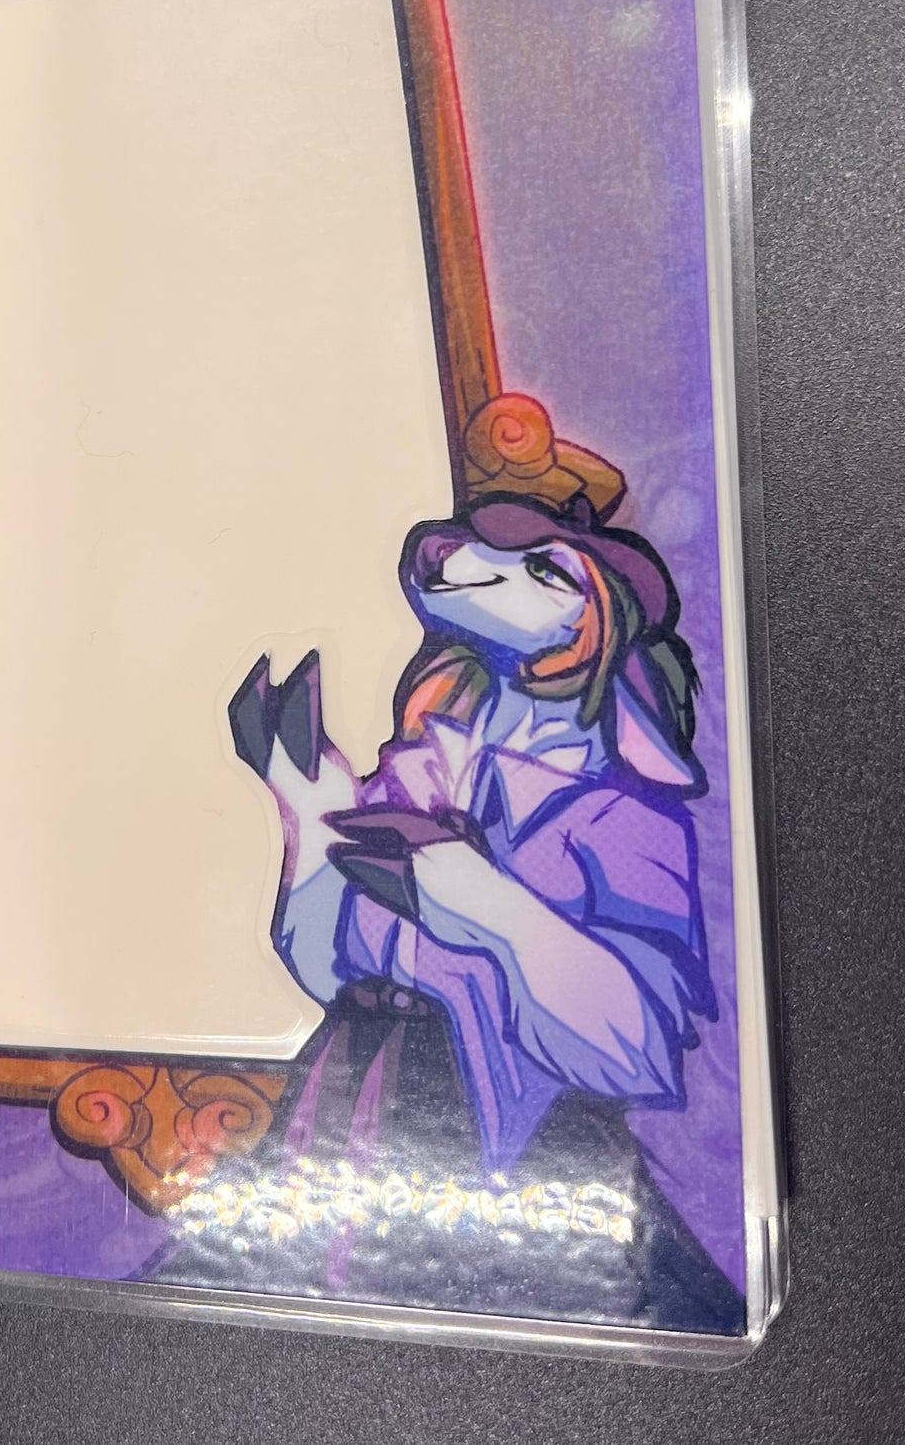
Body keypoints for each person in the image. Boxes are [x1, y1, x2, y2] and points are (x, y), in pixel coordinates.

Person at [154, 483, 743, 1333]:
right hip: (344, 1113)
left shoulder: (624, 819)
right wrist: (308, 806)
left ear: (594, 628)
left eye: (543, 570)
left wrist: (493, 911)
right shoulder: (420, 771)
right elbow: (327, 967)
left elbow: (636, 1052)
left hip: (521, 1158)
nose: (479, 569)